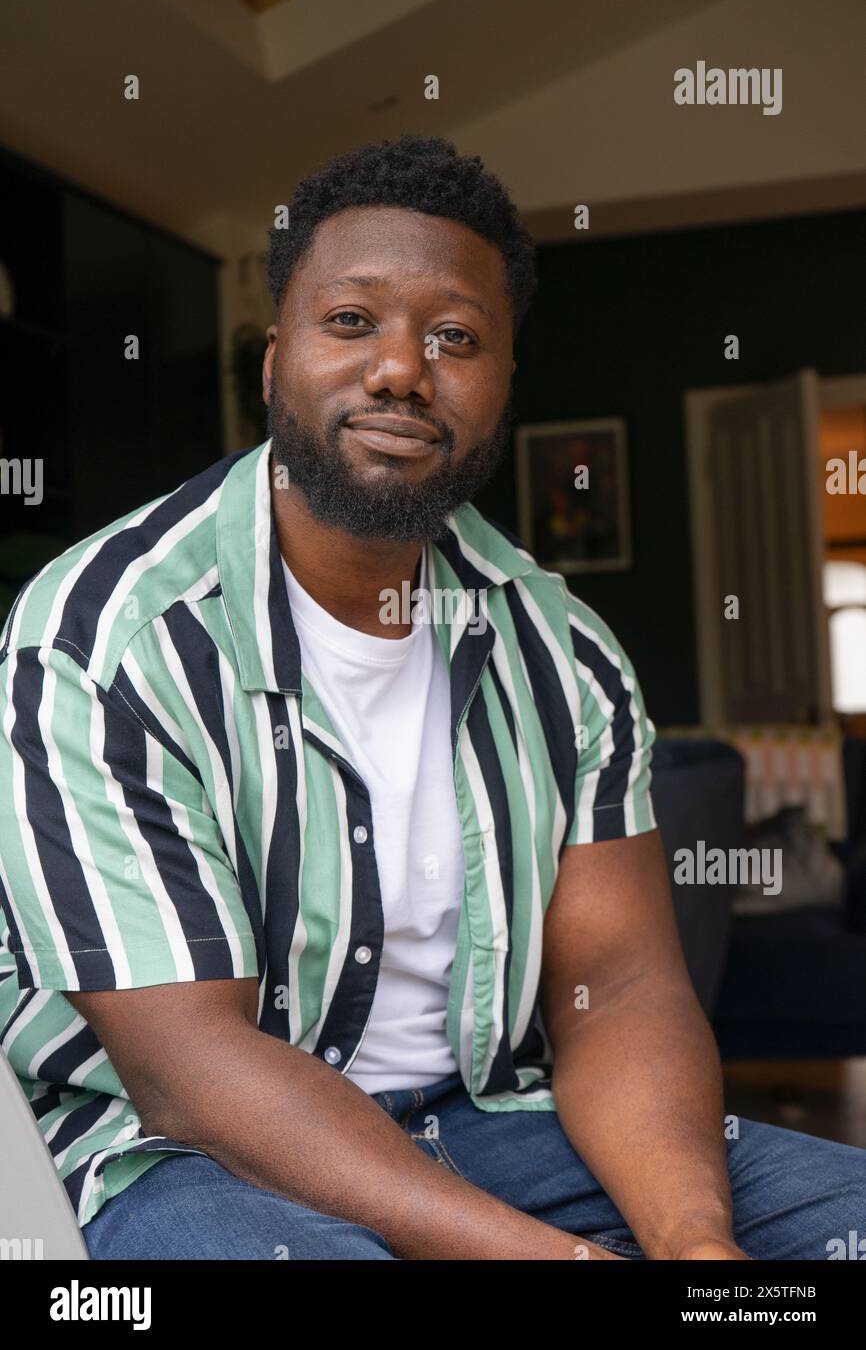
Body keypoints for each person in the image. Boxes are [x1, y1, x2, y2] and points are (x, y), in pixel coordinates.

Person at [0, 135, 862, 1261]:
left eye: (454, 337)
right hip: (186, 1154)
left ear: (502, 383)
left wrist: (696, 1249)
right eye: (350, 321)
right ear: (274, 363)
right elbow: (188, 1070)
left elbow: (622, 984)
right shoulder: (107, 637)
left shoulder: (566, 652)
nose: (402, 369)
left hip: (494, 1126)